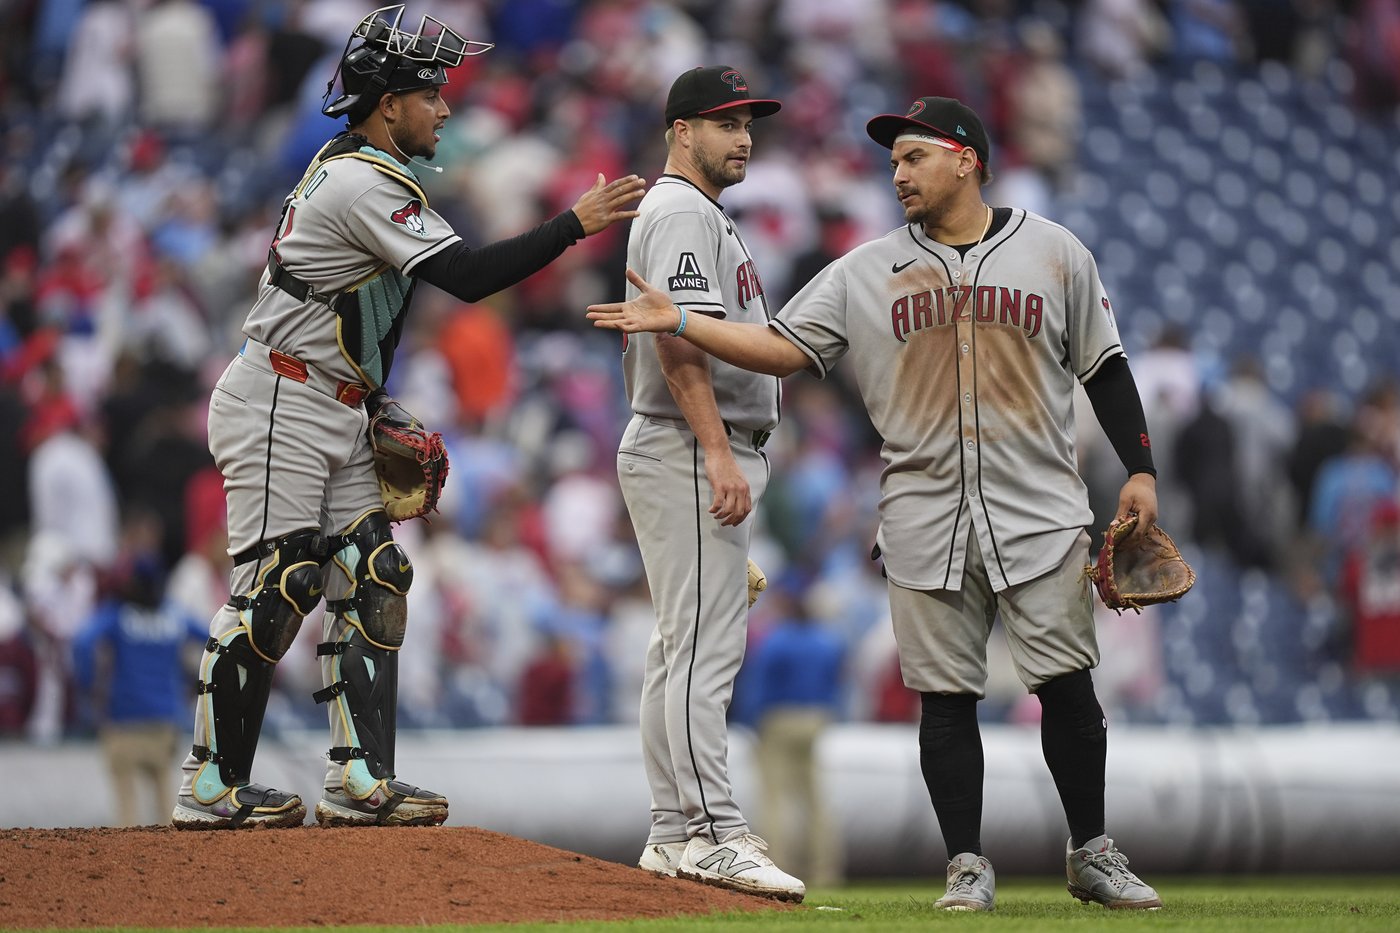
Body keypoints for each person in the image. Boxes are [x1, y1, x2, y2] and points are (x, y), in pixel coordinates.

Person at [589, 96, 1165, 911]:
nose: (897, 173)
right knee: (945, 697)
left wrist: (1139, 470)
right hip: (923, 509)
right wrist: (684, 317)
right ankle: (965, 864)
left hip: (1039, 504)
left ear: (965, 158)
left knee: (1069, 685)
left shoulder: (1055, 251)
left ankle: (1093, 851)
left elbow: (1104, 365)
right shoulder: (866, 267)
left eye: (914, 157)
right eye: (893, 161)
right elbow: (783, 348)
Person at [171, 4, 645, 830]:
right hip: (282, 395)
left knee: (376, 575)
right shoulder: (358, 179)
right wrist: (574, 225)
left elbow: (364, 313)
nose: (446, 107)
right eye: (432, 92)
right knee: (280, 587)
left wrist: (374, 393)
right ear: (388, 102)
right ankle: (209, 782)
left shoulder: (374, 174)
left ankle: (358, 778)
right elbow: (465, 276)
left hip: (335, 397)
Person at [619, 66, 803, 902]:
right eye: (726, 122)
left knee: (679, 646)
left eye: (749, 122)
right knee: (702, 649)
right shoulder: (684, 211)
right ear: (681, 130)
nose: (745, 136)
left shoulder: (695, 212)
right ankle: (713, 831)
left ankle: (672, 831)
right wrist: (719, 454)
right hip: (694, 444)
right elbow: (679, 342)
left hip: (688, 445)